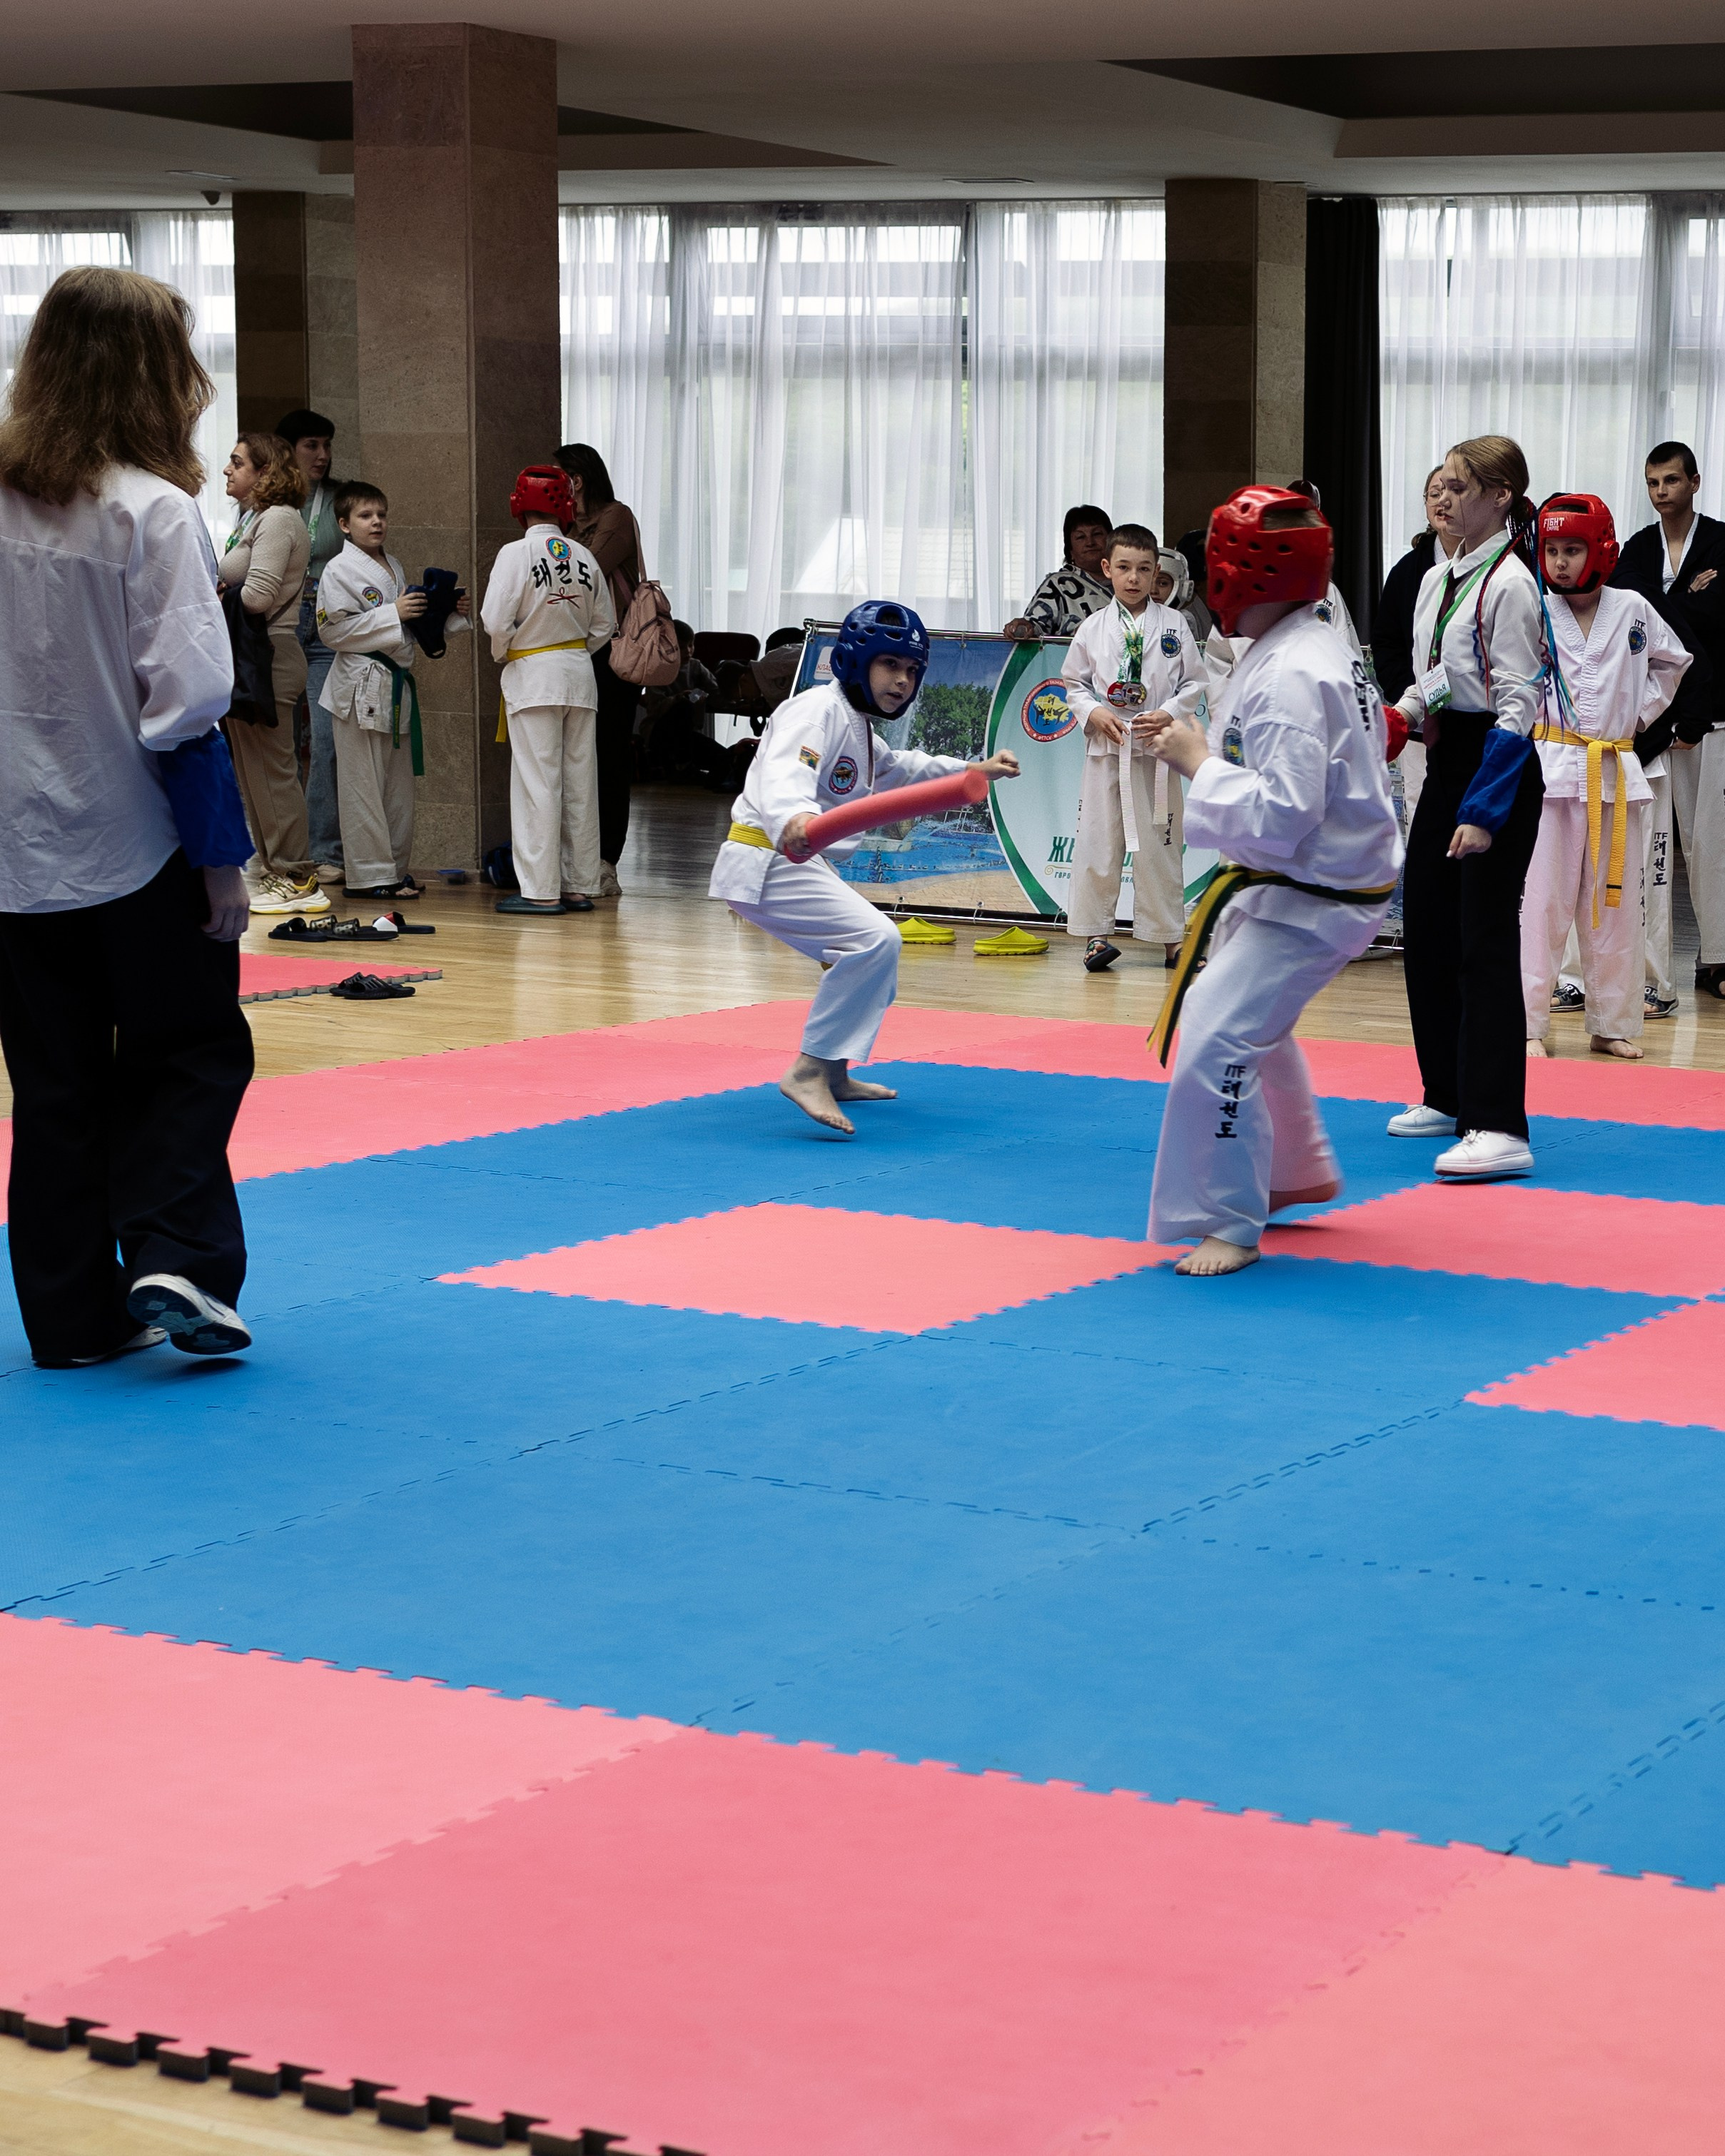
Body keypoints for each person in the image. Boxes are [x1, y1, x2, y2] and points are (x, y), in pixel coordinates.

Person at [0, 265, 257, 1365]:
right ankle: (176, 1255)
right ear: (161, 378)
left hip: (13, 853)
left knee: (54, 1082)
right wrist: (223, 862)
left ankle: (68, 1320)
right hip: (133, 838)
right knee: (192, 1051)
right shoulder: (152, 514)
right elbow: (189, 704)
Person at [1143, 487, 1402, 1277]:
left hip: (1316, 894)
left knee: (1219, 1032)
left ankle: (1230, 1218)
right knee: (1247, 1018)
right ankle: (1294, 1171)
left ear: (1233, 576)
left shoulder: (1292, 673)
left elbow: (1285, 811)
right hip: (1305, 879)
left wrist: (1195, 762)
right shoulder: (1301, 645)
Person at [709, 600, 1020, 1134]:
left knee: (871, 962)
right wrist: (796, 817)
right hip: (768, 853)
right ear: (857, 662)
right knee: (874, 941)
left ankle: (833, 1069)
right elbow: (787, 771)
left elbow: (905, 770)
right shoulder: (816, 711)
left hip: (794, 858)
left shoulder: (858, 728)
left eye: (911, 671)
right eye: (890, 666)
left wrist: (973, 770)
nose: (902, 681)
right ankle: (807, 1069)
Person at [1389, 435, 1545, 1182]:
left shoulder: (1511, 583)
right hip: (1446, 758)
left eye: (1459, 485)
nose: (1443, 496)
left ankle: (1498, 1123)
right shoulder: (1436, 577)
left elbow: (1519, 701)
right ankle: (1445, 1093)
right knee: (1426, 925)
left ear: (1499, 498)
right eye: (1440, 485)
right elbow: (1439, 678)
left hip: (1497, 765)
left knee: (1483, 941)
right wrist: (1398, 715)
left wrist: (1484, 807)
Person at [1521, 495, 1689, 1063]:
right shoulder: (1534, 609)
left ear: (1601, 551)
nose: (1561, 561)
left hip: (1613, 769)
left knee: (1615, 906)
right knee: (1541, 905)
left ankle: (1610, 1022)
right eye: (1552, 550)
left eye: (1572, 549)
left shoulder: (1633, 609)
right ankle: (1527, 1025)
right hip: (1548, 773)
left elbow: (1673, 663)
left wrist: (1635, 717)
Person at [1061, 523, 1205, 973]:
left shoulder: (1175, 624)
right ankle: (1095, 937)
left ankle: (1170, 941)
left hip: (1155, 751)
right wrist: (1092, 713)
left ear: (1157, 571)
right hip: (1109, 748)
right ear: (1107, 569)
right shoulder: (1093, 627)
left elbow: (1196, 681)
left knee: (1160, 848)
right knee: (1098, 843)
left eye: (1144, 569)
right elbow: (1073, 684)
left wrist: (1171, 712)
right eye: (1123, 567)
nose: (1134, 578)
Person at [1609, 440, 1725, 1003]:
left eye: (1672, 481)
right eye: (1653, 482)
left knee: (1709, 845)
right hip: (1654, 721)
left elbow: (1706, 619)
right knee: (1656, 852)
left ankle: (1718, 957)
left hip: (1715, 714)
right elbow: (1634, 614)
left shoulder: (1723, 540)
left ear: (1694, 482)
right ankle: (1649, 967)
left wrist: (1665, 600)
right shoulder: (1634, 547)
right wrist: (1688, 596)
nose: (1661, 492)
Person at [315, 480, 469, 902]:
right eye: (365, 516)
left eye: (381, 514)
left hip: (395, 687)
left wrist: (446, 613)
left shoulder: (394, 566)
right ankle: (368, 877)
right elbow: (330, 631)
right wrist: (392, 612)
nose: (377, 522)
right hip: (359, 687)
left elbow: (408, 631)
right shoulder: (338, 570)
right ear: (344, 525)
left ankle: (396, 871)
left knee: (397, 791)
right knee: (362, 786)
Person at [481, 464, 614, 917]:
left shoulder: (514, 554)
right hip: (579, 674)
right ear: (566, 507)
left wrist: (510, 651)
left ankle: (540, 890)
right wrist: (572, 650)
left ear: (519, 506)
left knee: (538, 784)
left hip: (534, 676)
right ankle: (579, 885)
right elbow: (605, 625)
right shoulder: (584, 556)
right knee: (580, 785)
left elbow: (494, 621)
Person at [217, 432, 328, 915]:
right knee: (252, 771)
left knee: (274, 770)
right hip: (250, 656)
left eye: (238, 462)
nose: (227, 469)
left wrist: (218, 594)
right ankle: (273, 868)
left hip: (270, 654)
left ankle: (298, 875)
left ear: (266, 472)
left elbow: (259, 595)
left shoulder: (280, 519)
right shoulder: (255, 519)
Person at [555, 442, 642, 895]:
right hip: (571, 651)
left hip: (613, 653)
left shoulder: (615, 517)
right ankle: (574, 856)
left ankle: (607, 859)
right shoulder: (564, 527)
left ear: (577, 479)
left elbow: (582, 572)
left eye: (557, 479)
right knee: (574, 756)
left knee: (608, 754)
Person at [276, 407, 345, 881]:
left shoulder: (340, 499)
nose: (322, 455)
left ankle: (326, 850)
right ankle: (287, 850)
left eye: (326, 445)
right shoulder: (268, 500)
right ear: (288, 450)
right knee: (282, 743)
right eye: (311, 446)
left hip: (325, 623)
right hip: (280, 622)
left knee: (325, 738)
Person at [641, 621, 732, 789]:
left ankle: (688, 768)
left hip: (688, 735)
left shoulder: (696, 667)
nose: (688, 651)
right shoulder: (657, 670)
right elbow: (655, 708)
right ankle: (679, 767)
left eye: (691, 645)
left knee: (724, 757)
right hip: (659, 733)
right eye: (682, 647)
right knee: (683, 706)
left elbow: (716, 693)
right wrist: (678, 698)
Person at [1003, 505, 1113, 639]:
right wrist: (1025, 627)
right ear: (1070, 551)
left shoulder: (1131, 580)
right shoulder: (1058, 585)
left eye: (1097, 534)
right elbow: (1035, 627)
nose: (1090, 542)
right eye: (1080, 537)